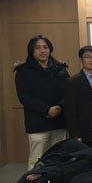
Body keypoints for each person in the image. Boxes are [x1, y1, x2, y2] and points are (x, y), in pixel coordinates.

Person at [15, 35, 69, 169]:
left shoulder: (60, 68)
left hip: (59, 120)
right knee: (36, 159)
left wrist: (59, 107)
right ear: (31, 51)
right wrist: (46, 109)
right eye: (38, 48)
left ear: (50, 49)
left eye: (45, 47)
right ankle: (32, 181)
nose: (42, 51)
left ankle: (58, 180)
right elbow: (25, 97)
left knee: (60, 157)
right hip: (37, 122)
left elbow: (68, 92)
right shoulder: (23, 71)